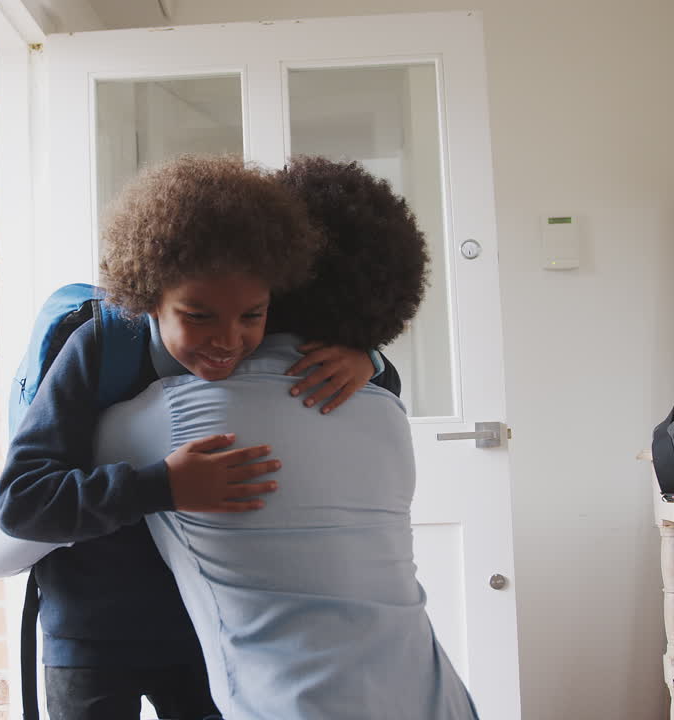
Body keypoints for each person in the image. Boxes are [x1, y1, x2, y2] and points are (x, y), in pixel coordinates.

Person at [0, 154, 390, 720]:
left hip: (208, 632)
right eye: (197, 317)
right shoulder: (100, 346)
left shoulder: (264, 332)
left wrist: (367, 360)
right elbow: (23, 504)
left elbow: (381, 383)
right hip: (91, 632)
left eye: (253, 315)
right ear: (149, 297)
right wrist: (163, 487)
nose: (229, 340)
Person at [90, 156, 479, 719]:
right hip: (436, 698)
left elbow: (12, 531)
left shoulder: (160, 418)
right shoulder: (384, 409)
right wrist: (368, 355)